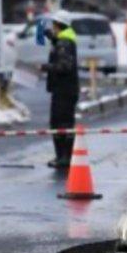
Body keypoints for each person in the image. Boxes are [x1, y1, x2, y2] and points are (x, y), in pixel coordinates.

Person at [41, 10, 79, 169]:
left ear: (58, 25)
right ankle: (63, 156)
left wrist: (45, 67)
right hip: (65, 89)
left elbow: (64, 66)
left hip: (64, 90)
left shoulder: (65, 43)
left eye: (53, 25)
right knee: (63, 122)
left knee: (60, 122)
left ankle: (64, 157)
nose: (52, 27)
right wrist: (51, 37)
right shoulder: (64, 40)